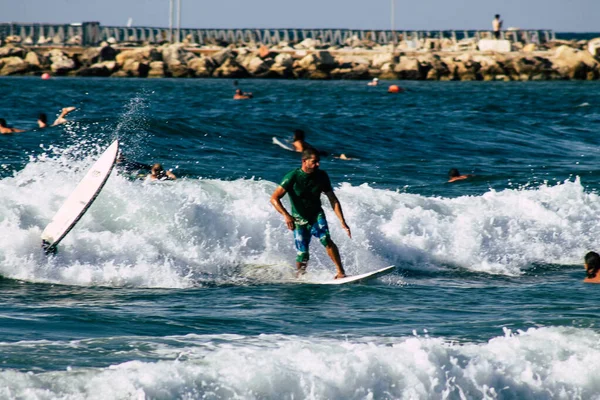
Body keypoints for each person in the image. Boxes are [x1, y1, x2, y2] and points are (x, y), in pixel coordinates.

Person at [270, 148, 351, 279]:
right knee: (303, 254)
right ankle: (300, 276)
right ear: (304, 161)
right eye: (314, 162)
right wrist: (286, 215)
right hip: (298, 219)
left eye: (318, 162)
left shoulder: (322, 176)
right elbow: (274, 198)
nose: (317, 164)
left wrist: (342, 221)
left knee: (326, 240)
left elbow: (333, 199)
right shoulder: (292, 176)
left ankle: (341, 272)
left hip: (316, 215)